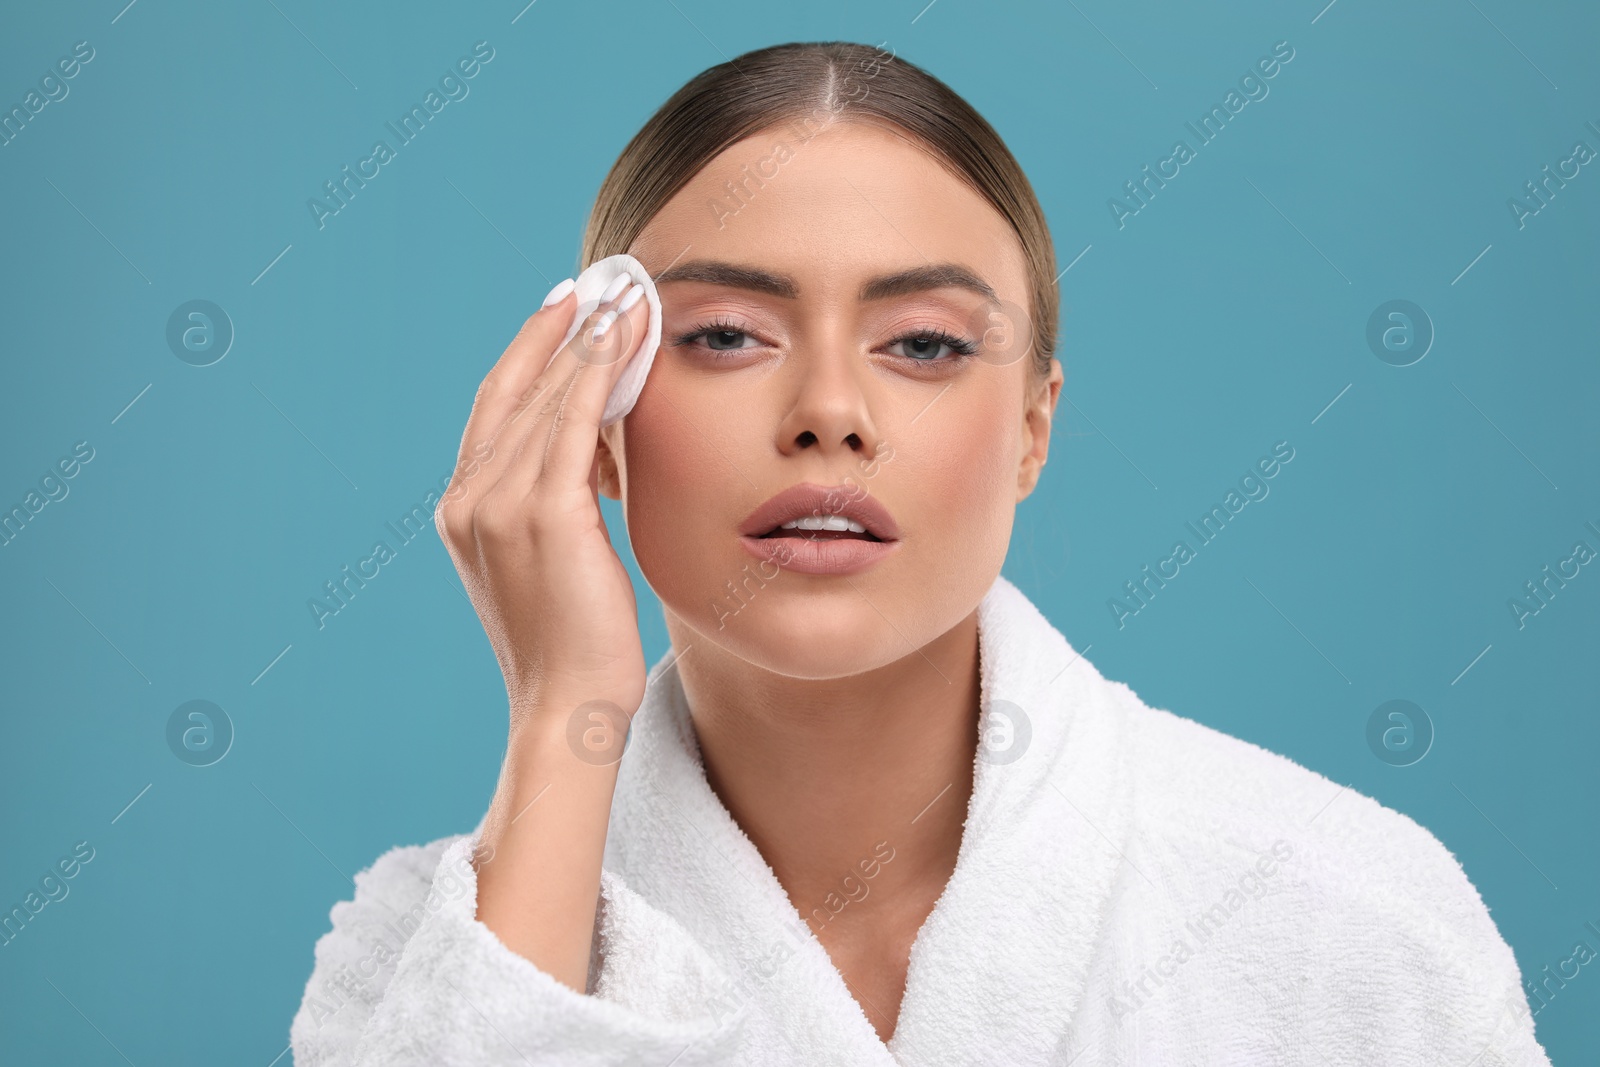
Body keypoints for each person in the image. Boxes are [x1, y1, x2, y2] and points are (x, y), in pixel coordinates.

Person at [289, 41, 1551, 1065]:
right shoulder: (425, 962)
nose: (829, 409)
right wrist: (562, 705)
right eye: (726, 334)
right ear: (598, 413)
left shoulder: (1347, 918)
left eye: (926, 344)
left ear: (1031, 430)